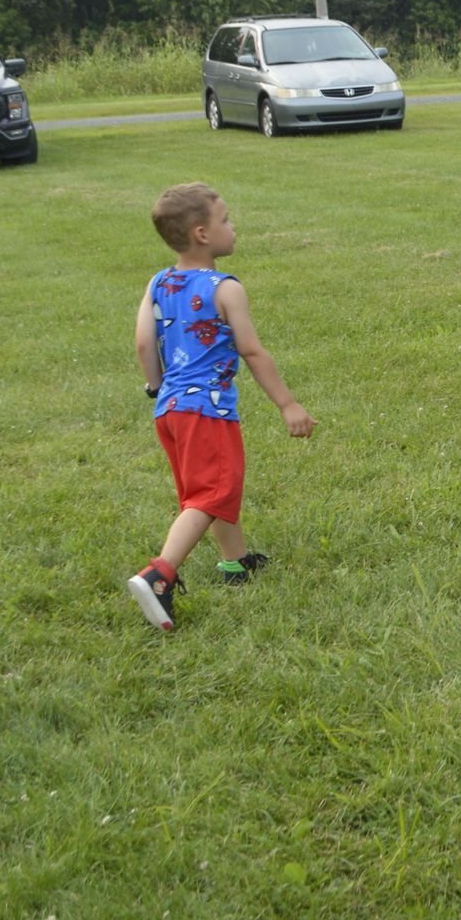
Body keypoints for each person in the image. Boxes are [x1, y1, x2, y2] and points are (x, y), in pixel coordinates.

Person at [125, 183, 315, 631]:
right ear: (202, 234)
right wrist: (288, 404)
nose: (232, 227)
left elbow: (143, 343)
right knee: (212, 493)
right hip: (207, 412)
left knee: (208, 491)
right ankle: (159, 575)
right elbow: (251, 351)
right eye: (225, 219)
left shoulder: (158, 282)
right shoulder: (225, 288)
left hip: (169, 410)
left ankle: (235, 562)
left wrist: (157, 387)